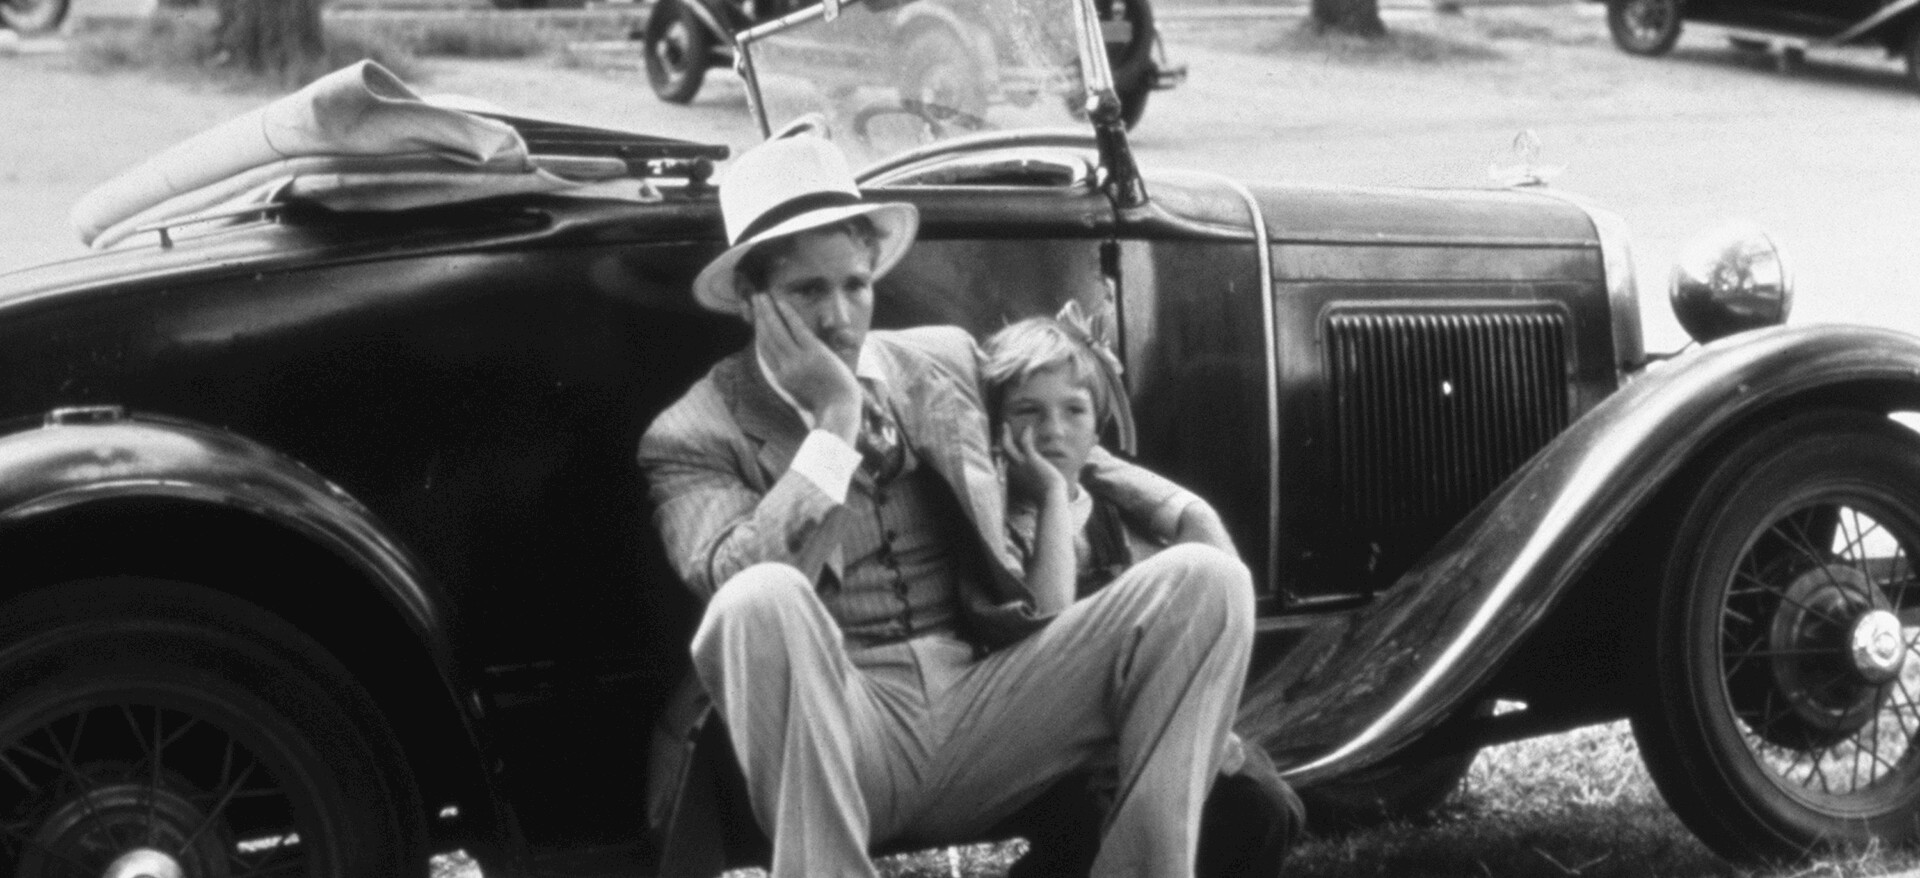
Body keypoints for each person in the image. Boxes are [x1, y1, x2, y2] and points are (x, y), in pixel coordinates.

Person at [637, 130, 1254, 877]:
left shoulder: (943, 360)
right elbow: (735, 580)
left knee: (1207, 579)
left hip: (987, 698)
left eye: (855, 285)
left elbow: (1062, 444)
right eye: (808, 292)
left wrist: (1183, 512)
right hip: (843, 728)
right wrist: (834, 422)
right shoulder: (692, 434)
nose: (839, 316)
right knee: (757, 598)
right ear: (751, 298)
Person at [985, 311, 1306, 878]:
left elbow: (1219, 574)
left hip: (1140, 728)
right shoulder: (997, 522)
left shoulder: (1111, 513)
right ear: (996, 427)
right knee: (1097, 825)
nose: (1053, 431)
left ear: (1098, 427)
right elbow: (1047, 642)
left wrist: (1103, 472)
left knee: (1262, 804)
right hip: (1054, 751)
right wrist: (1054, 495)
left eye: (1074, 411)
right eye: (1028, 412)